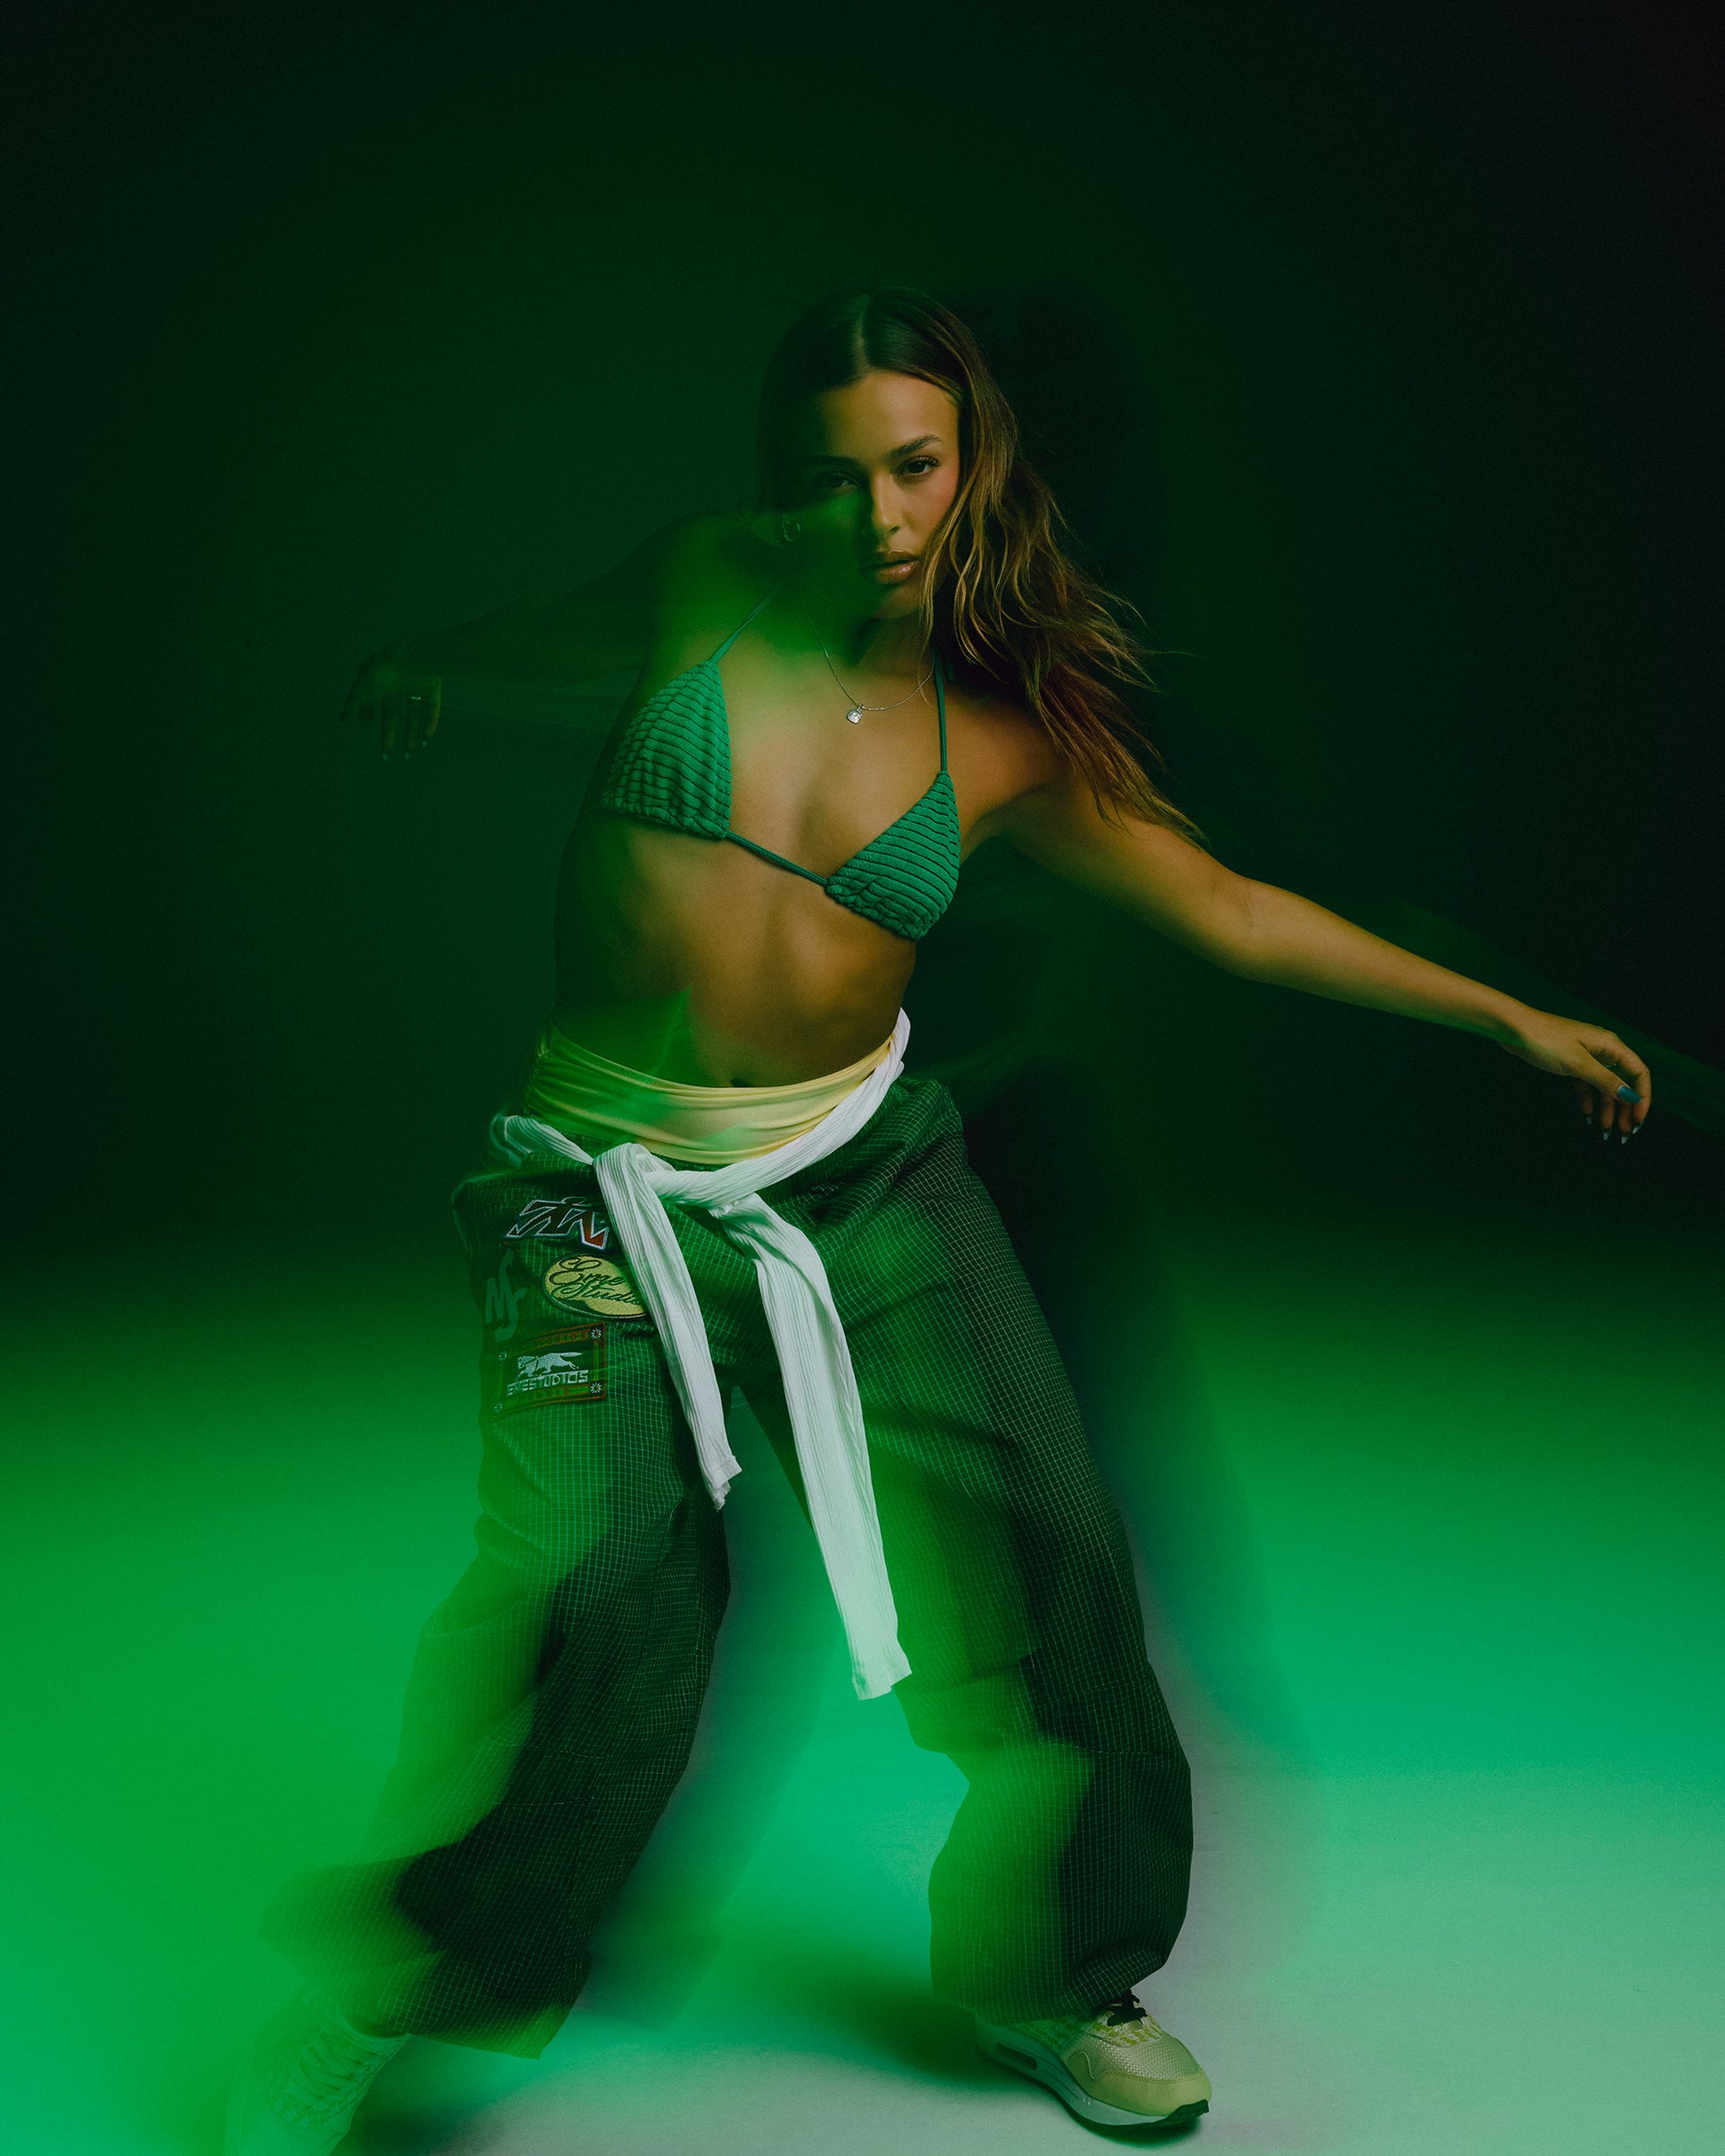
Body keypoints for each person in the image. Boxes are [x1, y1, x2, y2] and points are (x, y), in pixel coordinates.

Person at [228, 288, 1652, 2154]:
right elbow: (550, 640)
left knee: (1060, 1550)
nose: (877, 515)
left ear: (972, 465)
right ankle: (429, 1979)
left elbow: (1228, 909)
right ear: (777, 478)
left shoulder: (1009, 728)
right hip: (588, 1200)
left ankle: (1063, 1974)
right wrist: (434, 666)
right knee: (618, 1588)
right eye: (832, 477)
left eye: (912, 468)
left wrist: (1505, 1015)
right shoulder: (701, 581)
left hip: (866, 1178)